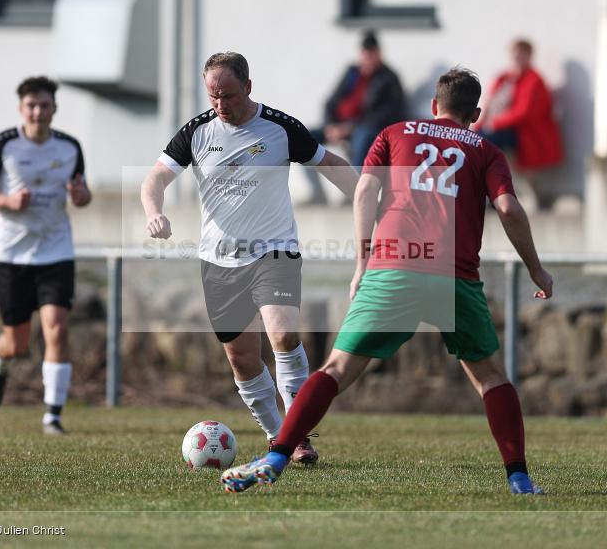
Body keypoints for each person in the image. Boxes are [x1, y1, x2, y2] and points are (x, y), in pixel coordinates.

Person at [221, 67, 554, 495]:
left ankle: (277, 455)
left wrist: (362, 262)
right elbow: (508, 209)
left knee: (336, 370)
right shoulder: (486, 150)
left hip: (393, 268)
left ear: (434, 106)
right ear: (475, 113)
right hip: (453, 278)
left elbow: (363, 192)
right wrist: (535, 269)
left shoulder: (394, 132)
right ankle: (520, 479)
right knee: (491, 377)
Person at [141, 52, 358, 462]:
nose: (220, 105)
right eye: (213, 96)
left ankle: (298, 437)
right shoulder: (198, 132)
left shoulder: (280, 128)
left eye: (228, 95)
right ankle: (280, 437)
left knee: (282, 336)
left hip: (275, 250)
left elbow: (331, 164)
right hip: (218, 259)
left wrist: (372, 203)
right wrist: (155, 211)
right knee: (242, 358)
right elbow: (156, 177)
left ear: (248, 87)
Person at [0, 76, 91, 435]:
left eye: (44, 105)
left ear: (54, 109)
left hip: (56, 251)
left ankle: (52, 416)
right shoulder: (3, 145)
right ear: (22, 109)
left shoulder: (69, 147)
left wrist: (81, 195)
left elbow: (82, 196)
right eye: (31, 106)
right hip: (10, 254)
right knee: (16, 342)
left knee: (57, 329)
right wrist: (4, 200)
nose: (38, 112)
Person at [304, 31, 406, 203]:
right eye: (365, 53)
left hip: (365, 127)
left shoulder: (388, 78)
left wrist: (349, 127)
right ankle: (317, 194)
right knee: (305, 137)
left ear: (379, 53)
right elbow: (331, 102)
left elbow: (388, 113)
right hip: (340, 126)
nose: (368, 57)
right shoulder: (351, 73)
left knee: (362, 136)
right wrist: (331, 126)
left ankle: (354, 194)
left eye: (372, 53)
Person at [476, 39, 562, 172]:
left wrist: (494, 123)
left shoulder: (534, 80)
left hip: (524, 133)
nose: (516, 57)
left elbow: (523, 113)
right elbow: (488, 100)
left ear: (529, 56)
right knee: (466, 139)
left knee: (481, 142)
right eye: (514, 53)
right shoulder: (503, 77)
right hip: (497, 127)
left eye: (521, 54)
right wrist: (478, 123)